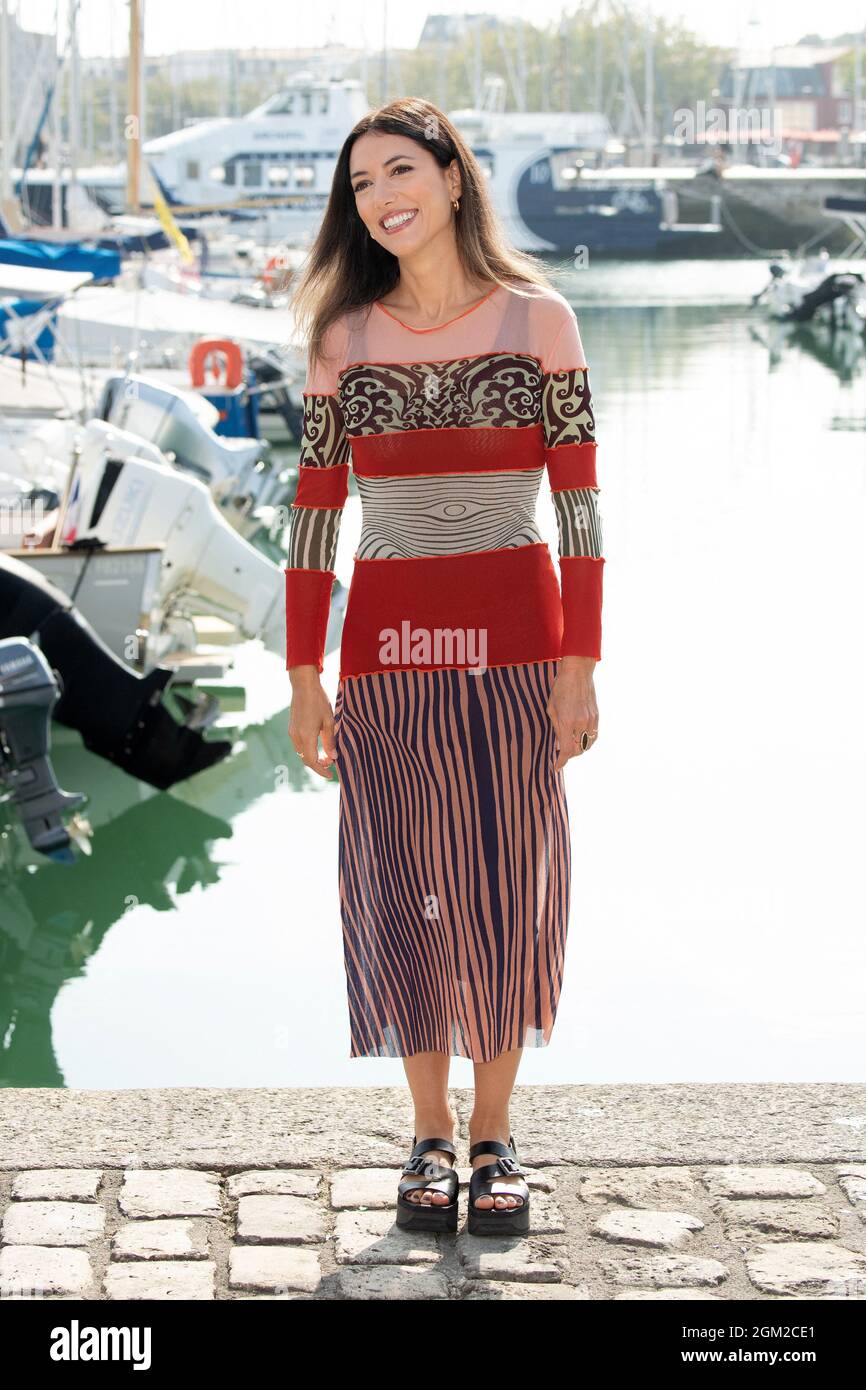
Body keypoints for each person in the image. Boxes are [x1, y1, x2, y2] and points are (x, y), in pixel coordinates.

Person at [285, 98, 604, 1237]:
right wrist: (303, 674)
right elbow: (315, 520)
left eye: (399, 170)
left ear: (452, 178)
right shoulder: (345, 340)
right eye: (361, 183)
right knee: (403, 890)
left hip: (518, 649)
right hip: (387, 656)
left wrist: (579, 662)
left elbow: (580, 511)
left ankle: (494, 1135)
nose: (380, 196)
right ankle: (427, 1133)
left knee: (509, 890)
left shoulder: (537, 322)